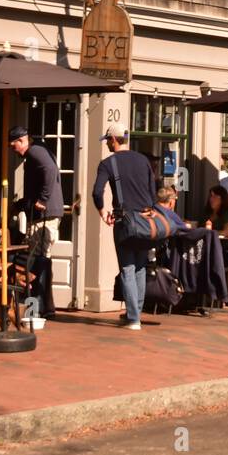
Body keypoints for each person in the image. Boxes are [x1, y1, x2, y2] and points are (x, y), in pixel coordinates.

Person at [93, 126, 159, 331]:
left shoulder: (107, 163)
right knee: (139, 267)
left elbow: (97, 192)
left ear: (114, 139)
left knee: (127, 269)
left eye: (107, 140)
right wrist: (152, 209)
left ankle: (133, 318)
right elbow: (153, 190)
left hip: (125, 221)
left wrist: (102, 211)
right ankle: (136, 313)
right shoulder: (142, 160)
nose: (106, 143)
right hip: (146, 220)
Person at [10, 125, 62, 319]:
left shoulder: (35, 151)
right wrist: (22, 204)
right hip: (44, 215)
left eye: (13, 145)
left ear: (22, 141)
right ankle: (45, 307)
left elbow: (50, 170)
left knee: (37, 261)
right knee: (41, 260)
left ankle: (35, 309)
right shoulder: (38, 150)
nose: (13, 150)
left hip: (44, 217)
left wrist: (43, 199)